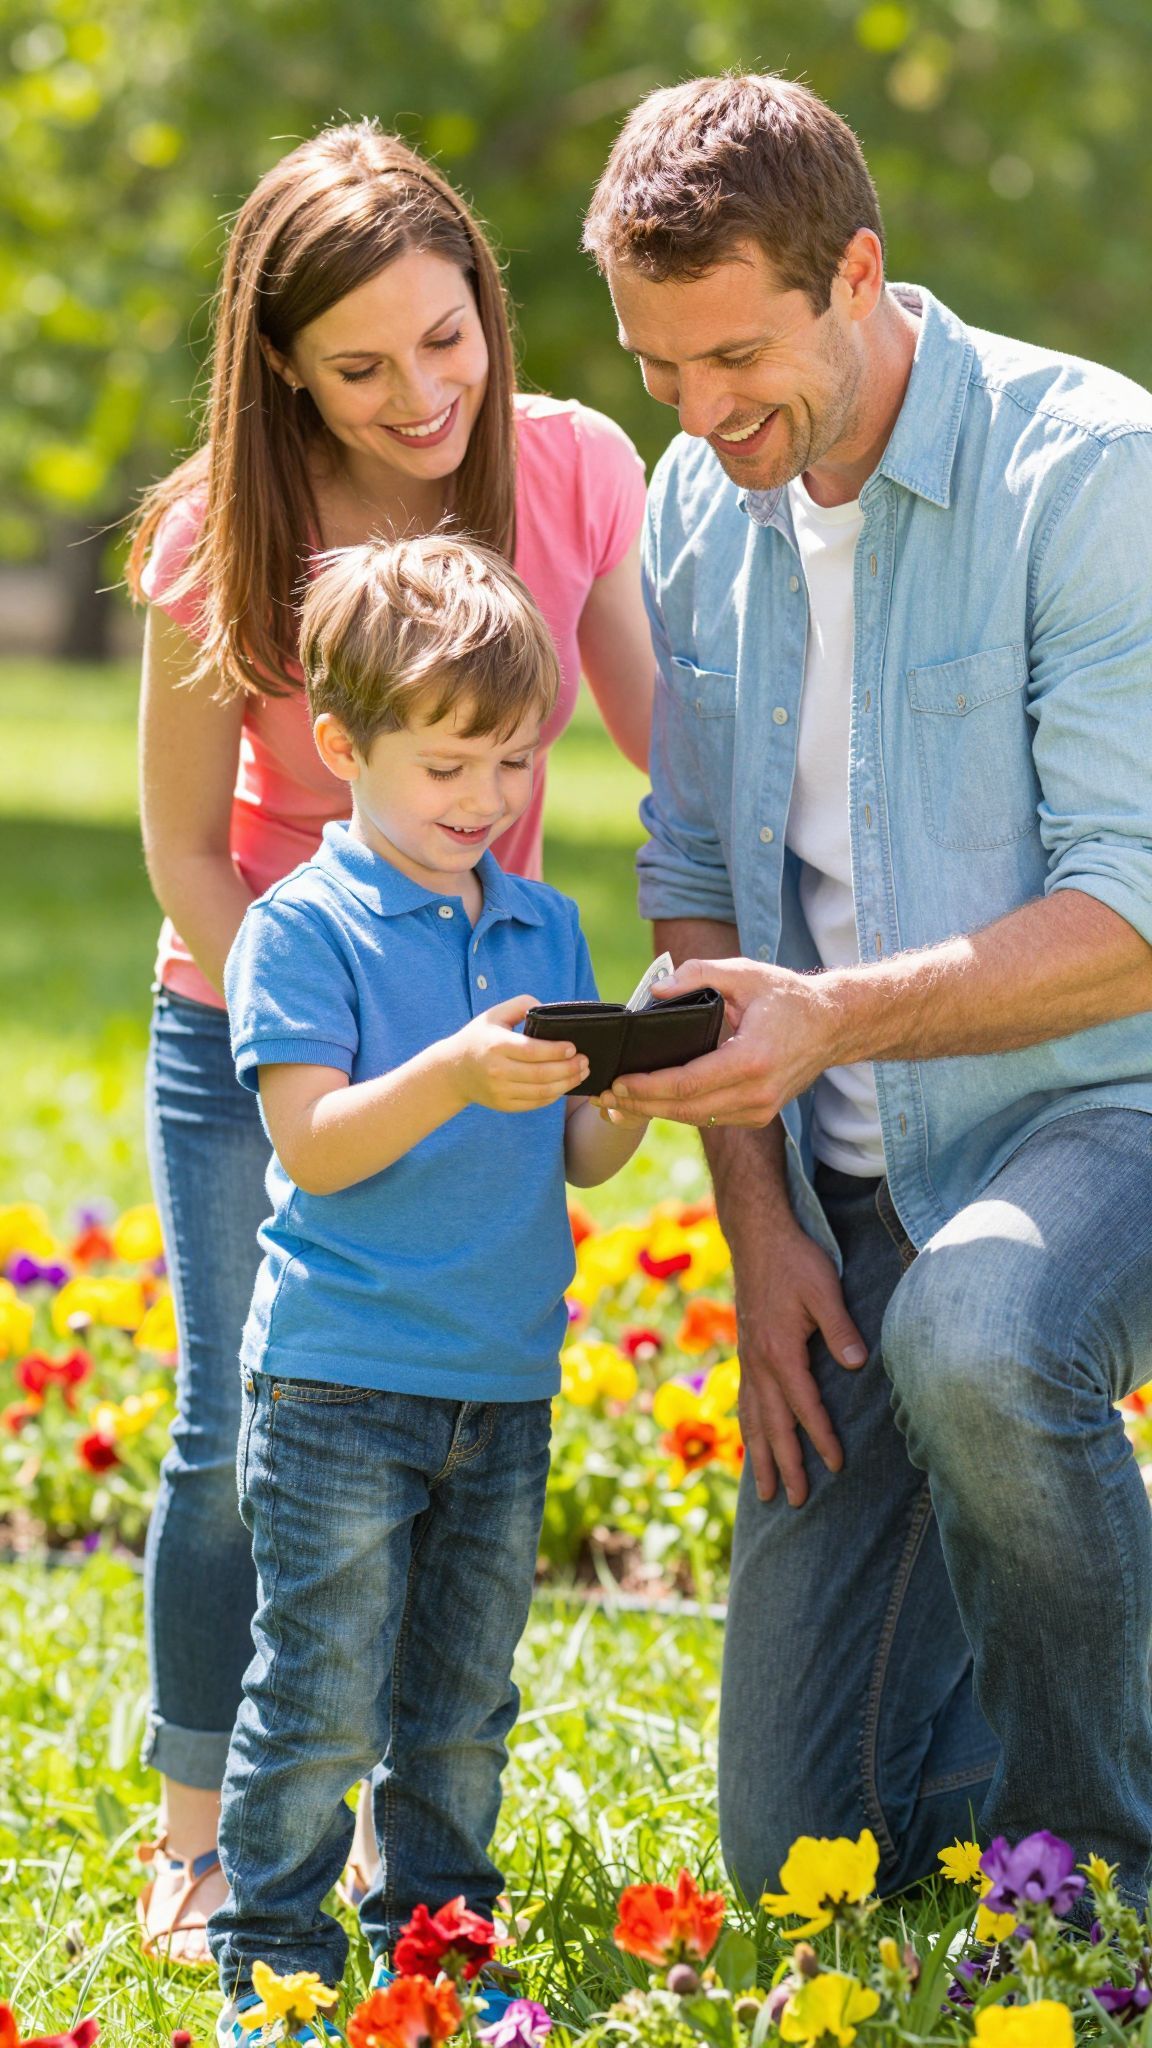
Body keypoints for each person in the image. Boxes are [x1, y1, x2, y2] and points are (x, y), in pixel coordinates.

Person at [582, 74, 1152, 1909]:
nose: (699, 409)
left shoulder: (1090, 472)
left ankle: (1100, 1870)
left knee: (980, 1332)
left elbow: (1134, 915)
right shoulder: (694, 500)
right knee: (802, 1853)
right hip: (839, 1185)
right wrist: (760, 1221)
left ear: (859, 273)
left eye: (734, 352)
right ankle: (1060, 1683)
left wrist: (837, 1021)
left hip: (1096, 1116)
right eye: (657, 367)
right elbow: (691, 894)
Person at [126, 120, 653, 1962]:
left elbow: (675, 763)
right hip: (261, 1012)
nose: (422, 392)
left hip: (488, 1023)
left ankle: (409, 1856)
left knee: (449, 1429)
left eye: (449, 337)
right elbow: (188, 844)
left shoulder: (577, 468)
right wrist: (327, 1012)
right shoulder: (226, 525)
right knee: (237, 1431)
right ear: (283, 366)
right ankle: (202, 1843)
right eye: (361, 365)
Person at [208, 533, 647, 2044]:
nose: (485, 802)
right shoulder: (301, 930)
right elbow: (317, 1147)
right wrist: (456, 1071)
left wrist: (629, 1089)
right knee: (322, 1691)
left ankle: (437, 1935)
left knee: (462, 1704)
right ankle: (272, 1941)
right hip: (340, 1379)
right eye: (449, 765)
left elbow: (579, 1160)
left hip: (502, 1380)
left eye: (514, 765)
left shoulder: (542, 926)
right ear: (343, 747)